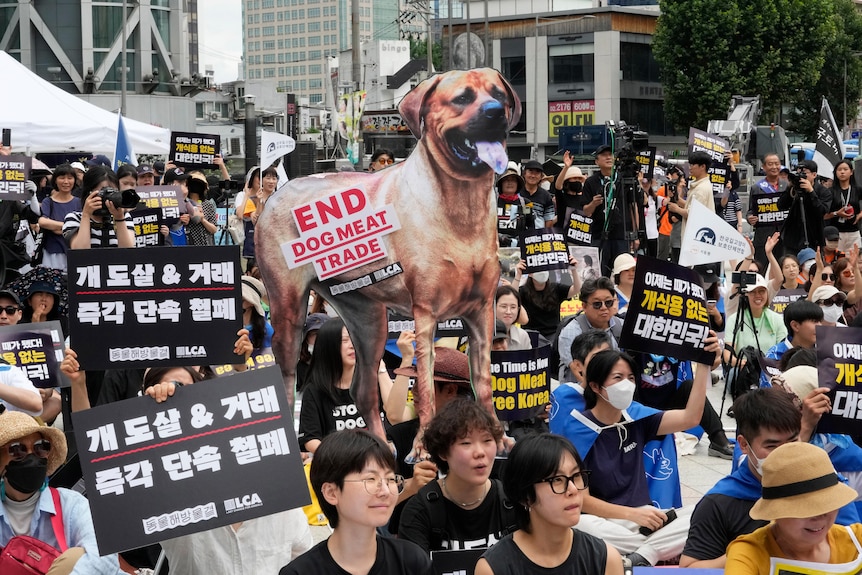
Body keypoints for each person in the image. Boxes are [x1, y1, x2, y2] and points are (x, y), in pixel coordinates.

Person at [138, 366, 314, 575]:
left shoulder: (276, 487)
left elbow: (303, 558)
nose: (176, 396)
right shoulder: (169, 491)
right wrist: (152, 414)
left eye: (185, 389)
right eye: (170, 391)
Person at [565, 342, 719, 567]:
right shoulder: (578, 429)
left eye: (630, 378)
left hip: (647, 517)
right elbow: (583, 500)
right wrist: (631, 515)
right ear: (596, 387)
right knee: (578, 526)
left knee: (707, 511)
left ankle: (641, 555)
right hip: (607, 519)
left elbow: (691, 418)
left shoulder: (636, 419)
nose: (626, 385)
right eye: (618, 378)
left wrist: (703, 364)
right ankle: (656, 549)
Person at [680, 387, 861, 568]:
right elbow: (689, 569)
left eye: (792, 442)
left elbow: (851, 546)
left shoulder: (826, 483)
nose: (785, 454)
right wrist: (754, 553)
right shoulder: (720, 502)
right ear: (743, 444)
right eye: (772, 446)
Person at [279, 429, 432, 575]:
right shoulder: (301, 572)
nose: (385, 491)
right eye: (371, 479)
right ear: (331, 492)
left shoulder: (411, 561)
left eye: (390, 479)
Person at [474, 434, 623, 575]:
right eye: (557, 479)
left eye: (576, 476)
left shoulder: (605, 559)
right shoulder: (494, 568)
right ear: (525, 495)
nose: (572, 489)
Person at [0, 409, 121, 574]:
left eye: (40, 448)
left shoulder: (70, 504)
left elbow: (104, 555)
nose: (31, 457)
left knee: (75, 557)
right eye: (17, 450)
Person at [398, 398, 516, 553]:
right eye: (466, 443)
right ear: (442, 452)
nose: (480, 452)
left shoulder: (513, 504)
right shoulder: (420, 512)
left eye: (487, 440)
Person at [725, 442, 862, 573]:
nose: (819, 516)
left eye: (828, 504)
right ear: (776, 511)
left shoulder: (857, 540)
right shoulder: (749, 554)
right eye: (806, 508)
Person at [299, 317, 385, 453]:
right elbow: (311, 439)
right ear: (328, 346)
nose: (352, 345)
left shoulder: (374, 381)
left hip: (376, 459)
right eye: (345, 340)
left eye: (355, 338)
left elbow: (395, 416)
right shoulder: (314, 391)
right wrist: (342, 457)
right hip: (339, 465)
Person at [580, 145, 640, 276]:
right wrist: (594, 203)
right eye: (604, 155)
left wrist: (635, 234)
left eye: (610, 154)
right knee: (600, 272)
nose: (608, 157)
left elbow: (633, 206)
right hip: (600, 234)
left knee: (623, 271)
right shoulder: (591, 182)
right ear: (597, 161)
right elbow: (586, 211)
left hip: (622, 234)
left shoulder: (624, 179)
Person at [556, 277, 622, 382]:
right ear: (584, 306)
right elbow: (579, 374)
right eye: (597, 304)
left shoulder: (621, 326)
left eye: (609, 302)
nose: (604, 307)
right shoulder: (571, 332)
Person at [0, 289, 48, 417]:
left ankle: (23, 430)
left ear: (19, 314)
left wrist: (45, 392)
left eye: (10, 310)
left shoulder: (34, 341)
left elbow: (50, 381)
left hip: (26, 407)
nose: (3, 315)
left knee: (55, 400)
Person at [63, 166, 135, 249]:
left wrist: (119, 218)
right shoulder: (74, 218)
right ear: (89, 193)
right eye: (104, 192)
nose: (108, 197)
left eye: (113, 192)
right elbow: (80, 252)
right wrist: (86, 215)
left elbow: (128, 253)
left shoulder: (125, 217)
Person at [725, 273, 787, 362]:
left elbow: (783, 352)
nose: (757, 295)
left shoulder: (777, 319)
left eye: (761, 291)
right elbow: (728, 355)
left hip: (770, 369)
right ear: (745, 295)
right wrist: (741, 364)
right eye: (752, 292)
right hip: (743, 370)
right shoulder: (734, 320)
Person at [512, 259, 578, 340]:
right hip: (531, 336)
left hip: (553, 335)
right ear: (530, 274)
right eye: (538, 269)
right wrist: (518, 275)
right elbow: (512, 297)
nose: (542, 272)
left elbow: (576, 289)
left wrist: (574, 270)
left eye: (544, 269)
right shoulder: (523, 291)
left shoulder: (556, 289)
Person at [779, 159, 831, 255]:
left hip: (814, 237)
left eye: (804, 173)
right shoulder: (794, 188)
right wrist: (790, 187)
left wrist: (811, 192)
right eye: (798, 172)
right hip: (793, 238)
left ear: (814, 175)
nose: (801, 176)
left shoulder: (823, 191)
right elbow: (781, 205)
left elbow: (821, 211)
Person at [747, 153, 789, 268]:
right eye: (770, 164)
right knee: (762, 268)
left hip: (784, 236)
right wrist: (750, 218)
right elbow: (751, 210)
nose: (774, 167)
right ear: (764, 167)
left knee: (783, 268)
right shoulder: (757, 187)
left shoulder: (787, 186)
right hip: (763, 236)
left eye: (777, 164)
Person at [37, 163, 81, 272]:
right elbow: (42, 221)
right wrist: (68, 226)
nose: (66, 182)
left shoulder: (78, 202)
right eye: (62, 178)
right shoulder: (49, 201)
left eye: (70, 178)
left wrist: (55, 227)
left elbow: (82, 226)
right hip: (52, 251)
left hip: (73, 250)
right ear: (55, 180)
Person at [667, 151, 715, 239]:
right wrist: (677, 199)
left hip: (696, 238)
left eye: (693, 165)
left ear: (703, 166)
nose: (690, 168)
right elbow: (692, 206)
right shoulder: (700, 185)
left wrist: (676, 209)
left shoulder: (701, 188)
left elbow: (694, 213)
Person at [825, 159, 862, 252]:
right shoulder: (830, 191)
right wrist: (836, 213)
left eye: (845, 169)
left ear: (851, 172)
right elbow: (824, 215)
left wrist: (860, 215)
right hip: (836, 234)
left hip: (854, 232)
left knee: (855, 261)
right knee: (838, 263)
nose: (842, 172)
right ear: (835, 173)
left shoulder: (857, 189)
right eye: (839, 170)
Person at [495, 167, 529, 247]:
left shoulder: (526, 203)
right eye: (506, 180)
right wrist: (499, 237)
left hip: (519, 249)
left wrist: (522, 238)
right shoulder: (492, 202)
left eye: (513, 180)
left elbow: (530, 225)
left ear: (518, 184)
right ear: (501, 184)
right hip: (495, 249)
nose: (510, 183)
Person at [185, 170, 218, 246]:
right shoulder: (184, 203)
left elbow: (214, 229)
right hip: (188, 244)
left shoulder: (208, 204)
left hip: (206, 244)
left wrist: (203, 220)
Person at [520, 160, 555, 229]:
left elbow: (549, 219)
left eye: (537, 173)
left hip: (538, 235)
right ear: (524, 174)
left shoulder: (546, 196)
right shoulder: (517, 192)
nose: (533, 176)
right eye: (530, 172)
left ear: (541, 176)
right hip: (519, 235)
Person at [495, 285, 532, 350]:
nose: (508, 312)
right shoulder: (482, 335)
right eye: (504, 306)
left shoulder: (522, 336)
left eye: (513, 307)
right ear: (494, 307)